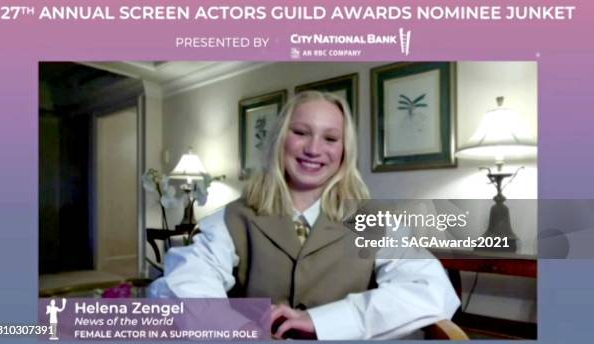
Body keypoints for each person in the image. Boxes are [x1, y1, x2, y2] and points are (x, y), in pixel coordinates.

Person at [149, 91, 460, 339]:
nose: (314, 148)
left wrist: (323, 322)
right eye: (300, 132)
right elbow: (181, 286)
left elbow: (430, 290)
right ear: (281, 140)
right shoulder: (232, 218)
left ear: (344, 151)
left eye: (330, 138)